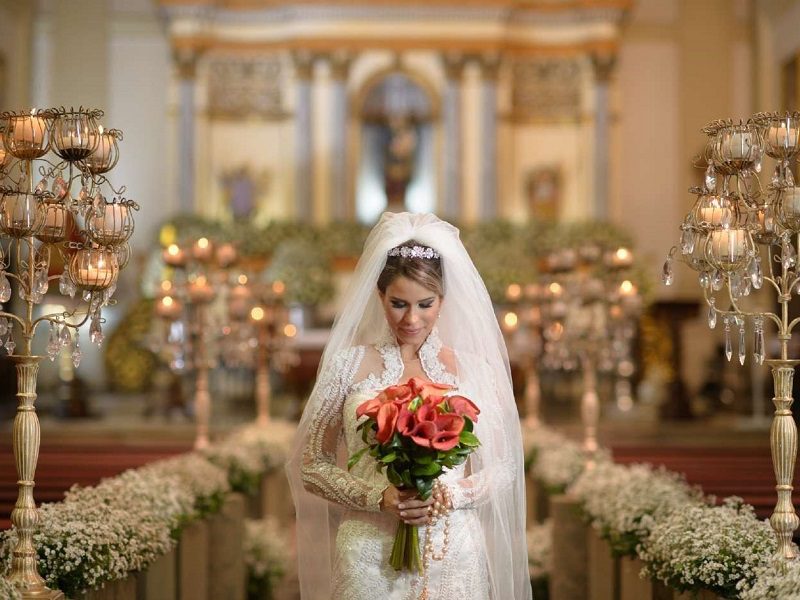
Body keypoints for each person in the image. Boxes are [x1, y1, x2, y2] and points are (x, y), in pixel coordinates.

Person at [287, 212, 531, 600]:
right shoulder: (347, 366)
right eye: (398, 303)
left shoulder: (472, 368)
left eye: (425, 304)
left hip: (452, 550)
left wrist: (451, 495)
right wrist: (377, 497)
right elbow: (312, 465)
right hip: (367, 551)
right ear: (379, 296)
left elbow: (505, 466)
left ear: (443, 301)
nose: (411, 319)